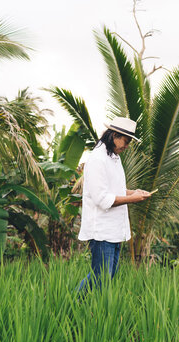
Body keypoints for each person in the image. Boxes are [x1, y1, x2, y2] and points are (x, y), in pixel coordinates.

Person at [77, 116, 151, 294]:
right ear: (114, 136)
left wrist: (133, 192)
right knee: (101, 278)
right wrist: (133, 199)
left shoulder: (114, 158)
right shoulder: (97, 160)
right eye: (125, 141)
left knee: (105, 276)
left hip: (115, 229)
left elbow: (115, 189)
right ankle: (73, 307)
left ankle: (74, 307)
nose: (127, 146)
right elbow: (102, 199)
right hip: (102, 231)